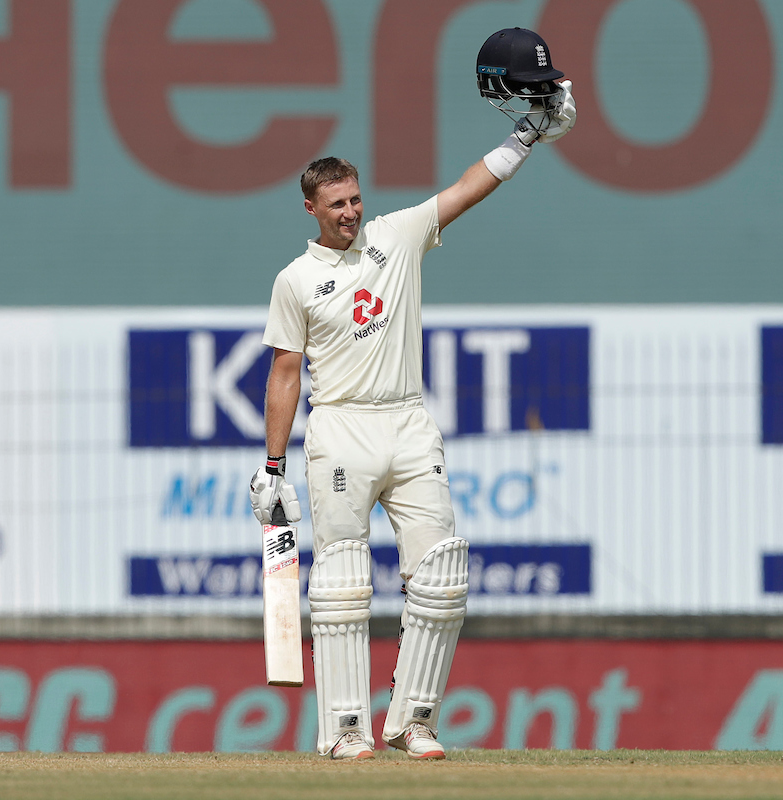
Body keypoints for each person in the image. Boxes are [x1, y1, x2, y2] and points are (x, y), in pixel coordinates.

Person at [248, 28, 577, 761]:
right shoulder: (296, 281)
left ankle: (412, 721)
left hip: (407, 423)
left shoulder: (396, 237)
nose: (351, 213)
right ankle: (344, 732)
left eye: (356, 199)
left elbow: (469, 187)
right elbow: (283, 376)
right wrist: (271, 469)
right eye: (336, 204)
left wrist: (531, 130)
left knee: (444, 572)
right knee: (340, 583)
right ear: (311, 209)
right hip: (340, 431)